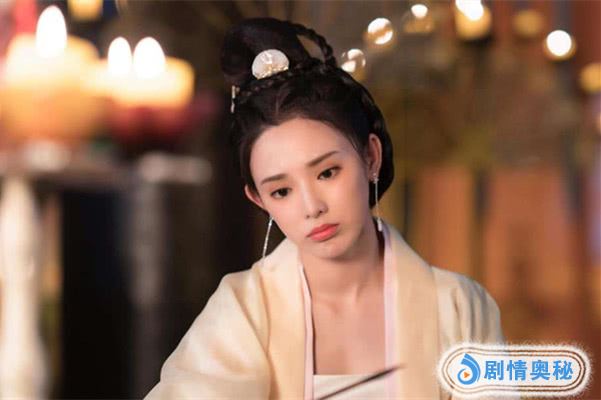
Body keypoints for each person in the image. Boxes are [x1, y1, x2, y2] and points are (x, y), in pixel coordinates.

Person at [145, 17, 505, 400]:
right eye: (281, 191)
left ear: (370, 156)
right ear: (258, 199)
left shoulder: (457, 306)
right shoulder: (243, 310)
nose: (312, 207)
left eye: (327, 172)